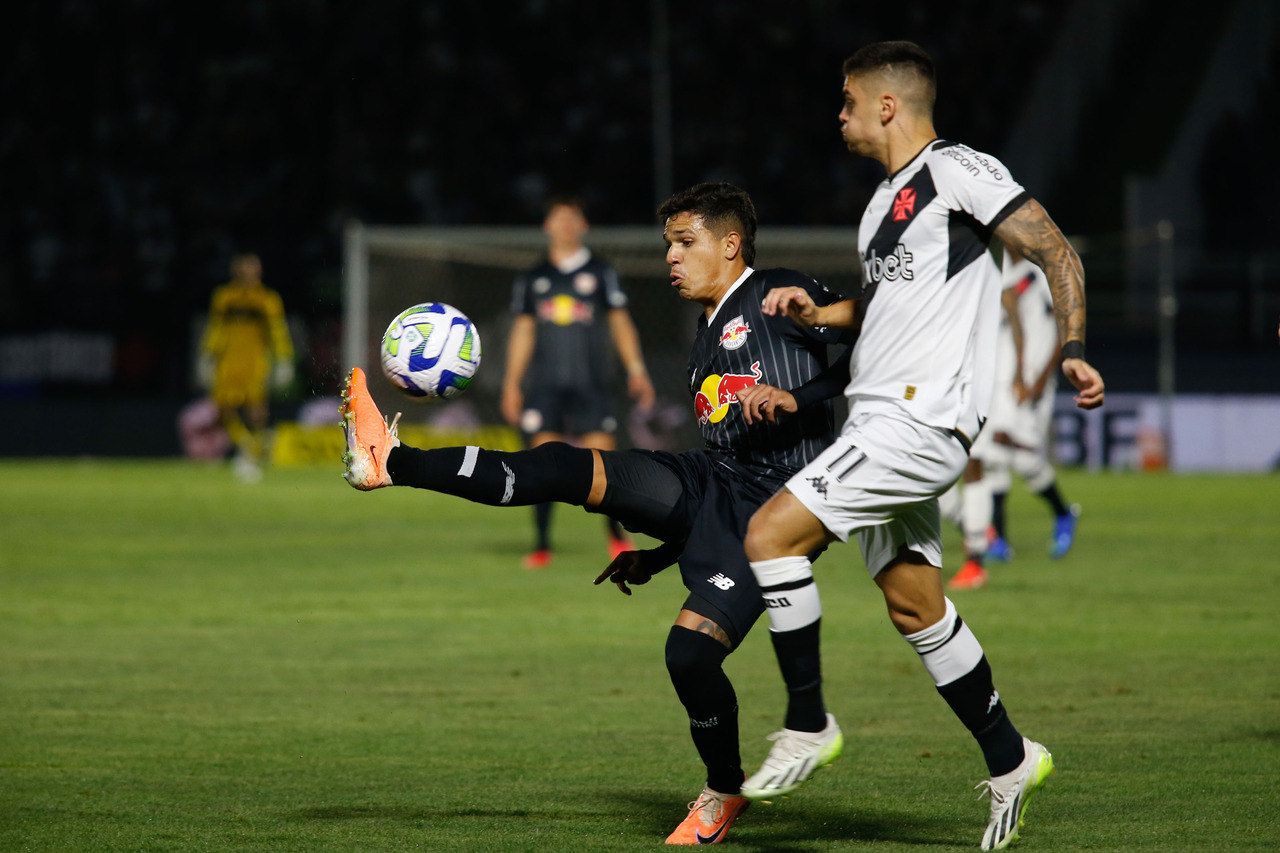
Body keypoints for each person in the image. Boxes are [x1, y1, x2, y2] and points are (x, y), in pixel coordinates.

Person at [340, 182, 853, 845]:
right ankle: (391, 462)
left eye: (685, 242)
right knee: (558, 463)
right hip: (711, 480)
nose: (671, 257)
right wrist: (662, 550)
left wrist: (797, 394)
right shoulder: (707, 333)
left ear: (730, 244)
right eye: (669, 244)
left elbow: (877, 344)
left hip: (779, 508)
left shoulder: (780, 291)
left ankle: (724, 790)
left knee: (689, 655)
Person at [735, 42, 1105, 852]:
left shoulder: (959, 170)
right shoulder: (882, 205)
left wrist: (1072, 343)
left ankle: (807, 724)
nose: (839, 115)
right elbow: (887, 308)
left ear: (888, 105)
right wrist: (819, 313)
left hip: (918, 420)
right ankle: (1011, 757)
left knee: (769, 535)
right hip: (877, 416)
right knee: (914, 605)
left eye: (846, 101)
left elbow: (1054, 249)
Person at [502, 196, 656, 569]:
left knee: (602, 463)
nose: (566, 224)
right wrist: (511, 382)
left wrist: (636, 368)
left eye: (573, 218)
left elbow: (620, 321)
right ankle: (542, 546)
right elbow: (522, 330)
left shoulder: (602, 272)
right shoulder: (533, 277)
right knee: (541, 465)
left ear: (583, 226)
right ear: (547, 227)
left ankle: (617, 539)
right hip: (545, 385)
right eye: (559, 218)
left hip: (591, 383)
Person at [975, 247, 1081, 570]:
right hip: (1007, 373)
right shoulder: (1000, 267)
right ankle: (1000, 540)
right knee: (994, 450)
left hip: (1034, 378)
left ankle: (1063, 513)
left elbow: (1060, 331)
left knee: (1021, 455)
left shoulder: (1041, 273)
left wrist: (1040, 378)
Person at [198, 252, 294, 482]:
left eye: (254, 270)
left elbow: (277, 330)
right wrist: (207, 354)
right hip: (228, 361)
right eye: (246, 270)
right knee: (222, 409)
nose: (250, 274)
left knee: (256, 410)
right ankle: (247, 447)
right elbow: (216, 327)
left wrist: (283, 358)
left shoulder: (268, 300)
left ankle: (250, 453)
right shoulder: (224, 297)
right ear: (236, 271)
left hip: (254, 361)